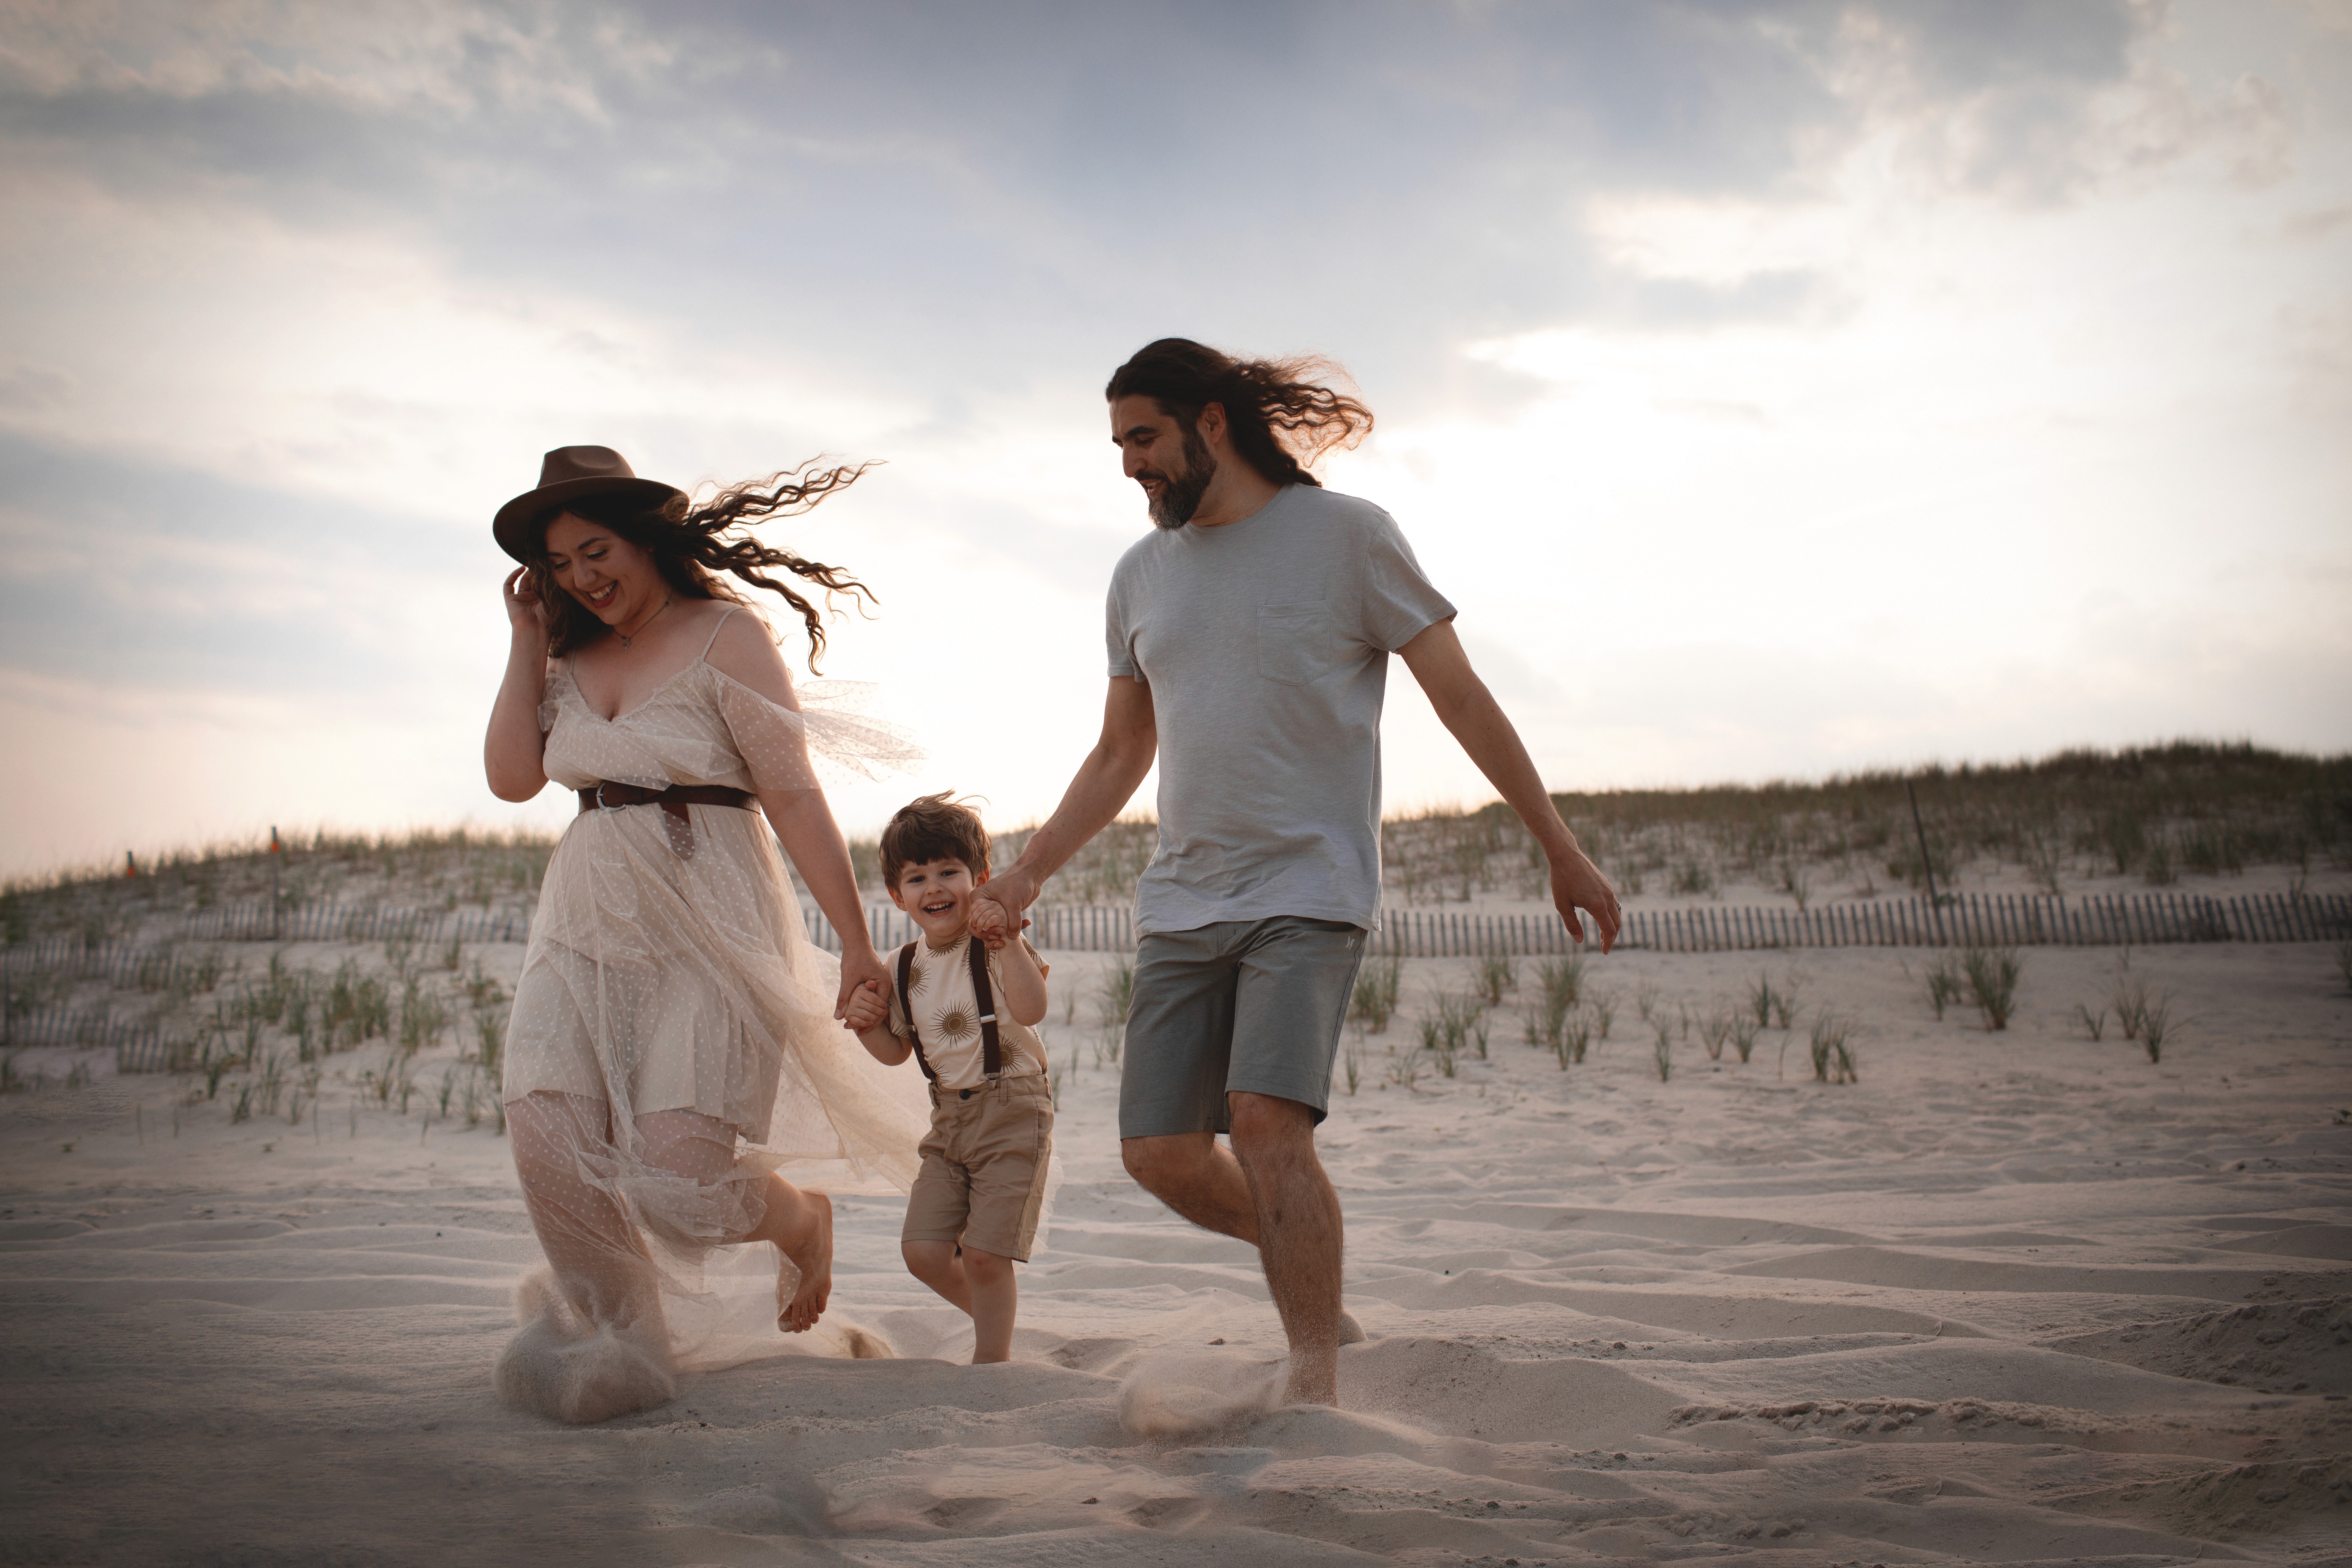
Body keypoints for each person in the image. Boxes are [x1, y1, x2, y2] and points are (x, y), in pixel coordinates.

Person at [969, 339, 1622, 1407]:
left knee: (1267, 1123)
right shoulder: (1138, 576)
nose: (1128, 464)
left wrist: (1555, 841)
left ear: (1210, 424)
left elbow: (1459, 697)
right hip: (1185, 899)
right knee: (1159, 1152)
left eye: (1142, 437)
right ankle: (1309, 1267)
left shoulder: (1347, 537)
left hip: (1309, 890)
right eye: (1118, 443)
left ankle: (1311, 1379)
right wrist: (1028, 872)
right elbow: (1119, 752)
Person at [482, 444, 929, 1424]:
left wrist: (854, 944)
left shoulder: (725, 634)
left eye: (595, 551)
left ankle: (800, 1219)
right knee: (546, 1133)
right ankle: (627, 1345)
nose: (581, 578)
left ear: (644, 536)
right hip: (587, 915)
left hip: (712, 916)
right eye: (559, 565)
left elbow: (794, 795)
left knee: (682, 1173)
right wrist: (525, 640)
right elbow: (513, 778)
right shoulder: (560, 656)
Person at [843, 794, 1055, 1364]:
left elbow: (1032, 1009)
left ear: (979, 878)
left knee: (987, 1256)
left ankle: (993, 1361)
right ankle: (996, 1318)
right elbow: (895, 1052)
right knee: (924, 1251)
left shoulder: (994, 943)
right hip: (948, 1120)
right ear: (897, 895)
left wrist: (1008, 941)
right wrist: (866, 1029)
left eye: (949, 872)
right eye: (917, 878)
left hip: (1014, 1107)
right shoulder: (902, 965)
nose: (934, 888)